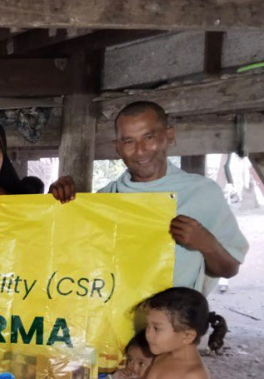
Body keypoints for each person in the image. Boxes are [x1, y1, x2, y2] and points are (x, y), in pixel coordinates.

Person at [98, 102, 249, 295]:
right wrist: (61, 202)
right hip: (115, 321)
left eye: (149, 137)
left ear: (169, 136)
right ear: (117, 147)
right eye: (129, 141)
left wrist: (206, 244)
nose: (140, 150)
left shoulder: (202, 194)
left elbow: (229, 269)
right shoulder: (105, 199)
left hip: (176, 323)